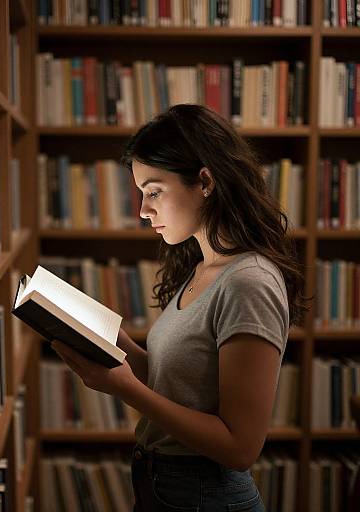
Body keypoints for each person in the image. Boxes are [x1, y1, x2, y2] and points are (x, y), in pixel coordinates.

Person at [51, 104, 311, 511]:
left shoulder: (249, 281)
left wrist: (127, 389)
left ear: (204, 181)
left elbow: (240, 447)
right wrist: (115, 344)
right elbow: (179, 387)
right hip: (163, 487)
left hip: (204, 496)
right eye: (141, 194)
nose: (142, 210)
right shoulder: (203, 267)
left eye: (153, 191)